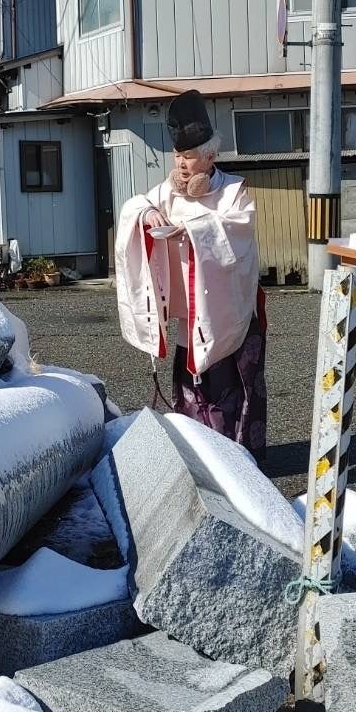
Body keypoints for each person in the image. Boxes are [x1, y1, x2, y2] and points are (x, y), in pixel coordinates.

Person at [115, 89, 268, 461]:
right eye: (178, 156)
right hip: (189, 312)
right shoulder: (166, 191)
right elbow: (136, 205)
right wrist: (147, 215)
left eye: (190, 157)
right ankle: (200, 454)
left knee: (231, 385)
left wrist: (195, 231)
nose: (182, 165)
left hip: (229, 310)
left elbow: (239, 231)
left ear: (211, 156)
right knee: (191, 386)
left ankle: (239, 456)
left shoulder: (233, 190)